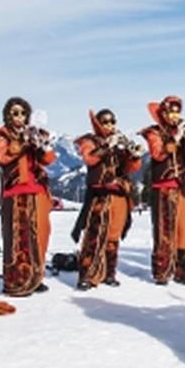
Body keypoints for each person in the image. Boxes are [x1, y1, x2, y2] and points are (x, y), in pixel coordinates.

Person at [0, 97, 56, 297]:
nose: (19, 117)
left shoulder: (35, 132)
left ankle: (36, 277)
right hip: (15, 191)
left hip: (37, 190)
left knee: (41, 233)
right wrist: (23, 142)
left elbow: (49, 160)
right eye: (14, 113)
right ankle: (16, 280)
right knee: (16, 236)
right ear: (7, 115)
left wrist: (42, 145)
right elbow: (3, 156)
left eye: (22, 113)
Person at [73, 108, 143, 289]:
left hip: (119, 196)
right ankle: (87, 276)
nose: (109, 125)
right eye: (105, 122)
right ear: (97, 123)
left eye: (112, 121)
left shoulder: (119, 143)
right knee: (94, 235)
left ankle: (109, 273)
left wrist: (132, 155)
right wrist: (107, 146)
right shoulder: (89, 140)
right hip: (100, 195)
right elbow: (90, 159)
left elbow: (130, 169)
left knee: (113, 237)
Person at [140, 96, 185, 285]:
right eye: (171, 111)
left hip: (184, 187)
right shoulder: (155, 132)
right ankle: (162, 271)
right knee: (164, 230)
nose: (175, 116)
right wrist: (172, 142)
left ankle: (183, 271)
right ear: (164, 113)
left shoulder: (183, 130)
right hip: (164, 188)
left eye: (177, 111)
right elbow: (157, 153)